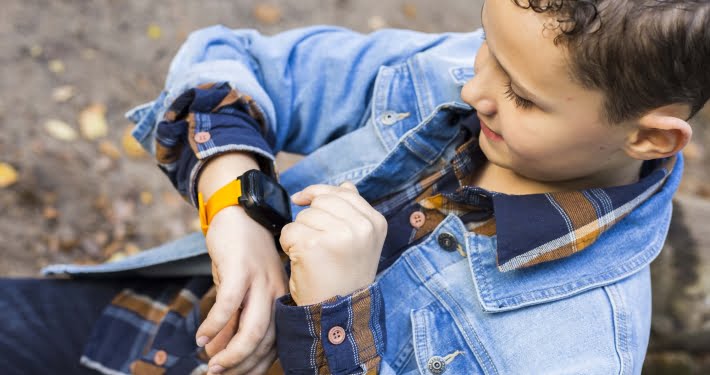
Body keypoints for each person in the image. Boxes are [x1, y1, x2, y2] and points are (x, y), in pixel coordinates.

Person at [3, 0, 708, 374]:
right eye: (487, 44)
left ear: (650, 137)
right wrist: (235, 203)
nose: (472, 85)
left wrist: (337, 316)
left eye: (522, 96)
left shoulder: (576, 349)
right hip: (150, 325)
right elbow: (236, 60)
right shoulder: (454, 72)